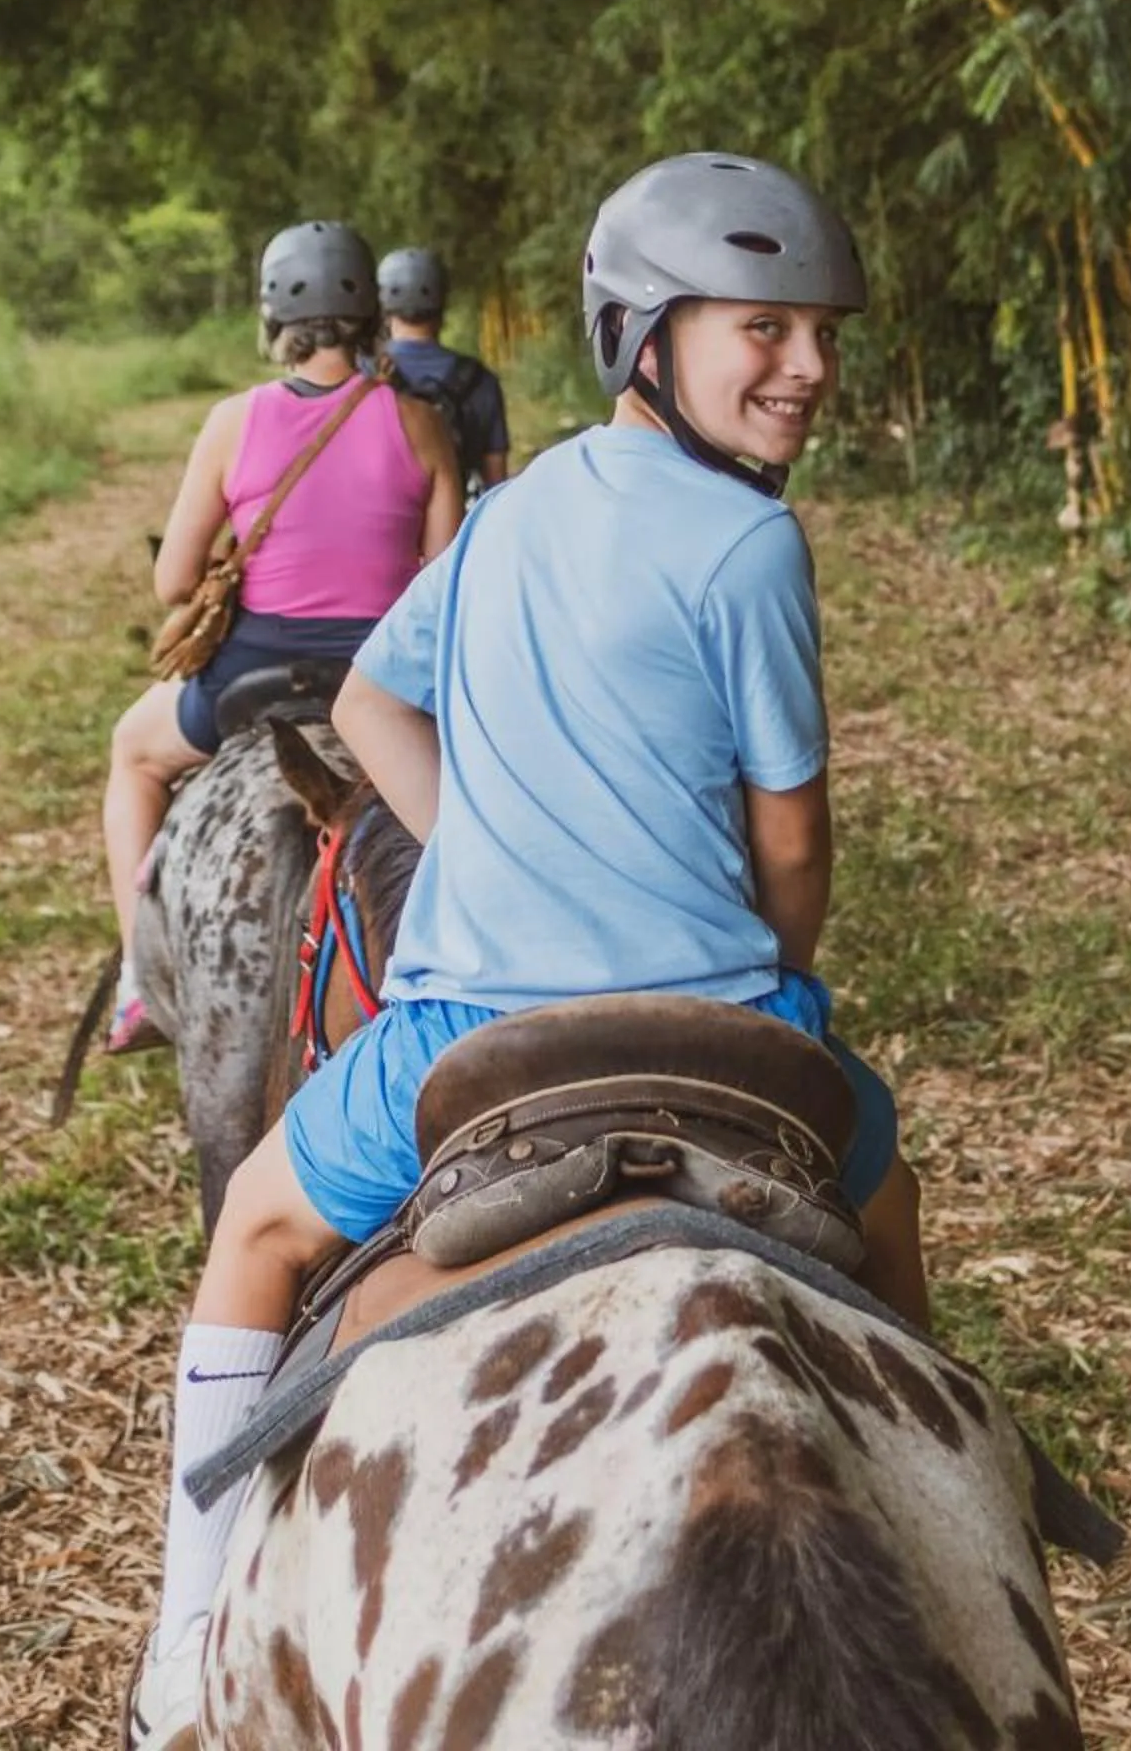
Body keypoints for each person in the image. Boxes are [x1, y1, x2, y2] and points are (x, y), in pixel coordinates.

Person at [127, 155, 923, 1745]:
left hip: (468, 1027)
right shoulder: (753, 547)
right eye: (763, 329)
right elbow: (794, 846)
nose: (810, 366)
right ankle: (930, 1494)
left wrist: (476, 841)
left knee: (260, 1239)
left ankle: (186, 1639)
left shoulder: (512, 508)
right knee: (887, 1185)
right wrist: (774, 959)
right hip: (719, 1011)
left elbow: (364, 705)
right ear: (650, 335)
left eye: (820, 331)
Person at [101, 220, 464, 1054]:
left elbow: (173, 583)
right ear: (372, 313)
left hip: (250, 674)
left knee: (133, 754)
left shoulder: (234, 421)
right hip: (379, 685)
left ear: (274, 315)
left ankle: (137, 981)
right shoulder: (421, 423)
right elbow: (442, 589)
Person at [377, 244, 511, 492]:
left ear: (383, 306)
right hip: (458, 523)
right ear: (441, 304)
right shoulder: (481, 381)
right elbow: (496, 482)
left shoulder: (366, 377)